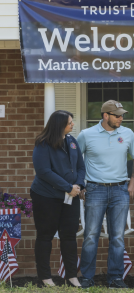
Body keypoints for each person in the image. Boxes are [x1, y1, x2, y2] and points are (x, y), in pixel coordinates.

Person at [77, 100, 134, 289]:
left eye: (122, 115)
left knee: (118, 236)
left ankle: (115, 277)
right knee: (91, 235)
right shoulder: (86, 135)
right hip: (95, 190)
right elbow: (75, 162)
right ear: (105, 116)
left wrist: (133, 182)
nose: (121, 118)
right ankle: (87, 277)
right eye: (117, 115)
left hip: (120, 190)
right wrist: (80, 184)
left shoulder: (128, 134)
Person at [30, 110, 85, 287]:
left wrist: (78, 186)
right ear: (59, 124)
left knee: (69, 236)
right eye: (70, 122)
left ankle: (71, 276)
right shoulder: (43, 143)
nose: (73, 125)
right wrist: (68, 188)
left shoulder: (72, 141)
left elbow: (80, 167)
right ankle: (44, 278)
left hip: (71, 196)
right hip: (46, 196)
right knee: (45, 235)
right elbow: (44, 171)